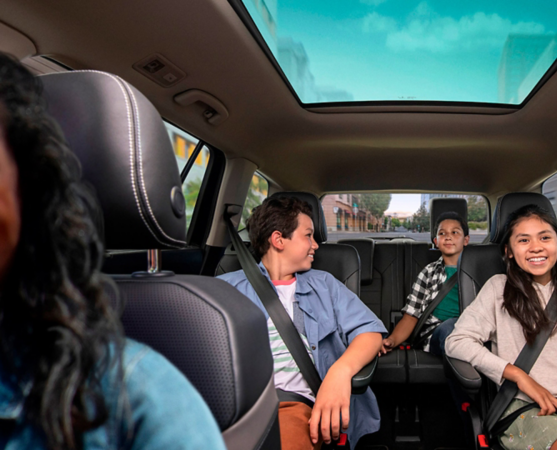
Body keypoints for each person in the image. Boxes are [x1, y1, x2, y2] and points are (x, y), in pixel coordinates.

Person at [0, 54, 225, 449]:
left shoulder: (141, 406)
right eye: (309, 234)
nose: (316, 246)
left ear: (29, 199)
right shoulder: (235, 288)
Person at [217, 196, 386, 450]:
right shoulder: (226, 287)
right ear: (278, 240)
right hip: (230, 407)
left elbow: (371, 333)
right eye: (308, 235)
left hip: (288, 405)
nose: (316, 245)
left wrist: (339, 373)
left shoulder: (324, 284)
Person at [446, 204, 557, 450]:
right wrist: (518, 375)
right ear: (509, 251)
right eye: (523, 240)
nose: (535, 246)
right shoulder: (499, 288)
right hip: (525, 405)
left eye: (544, 237)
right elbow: (457, 341)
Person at [381, 211, 470, 356]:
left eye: (455, 232)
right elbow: (411, 316)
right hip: (439, 332)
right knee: (450, 330)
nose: (448, 237)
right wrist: (392, 340)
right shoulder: (428, 273)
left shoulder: (477, 271)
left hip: (474, 329)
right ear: (436, 241)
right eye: (442, 233)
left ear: (466, 240)